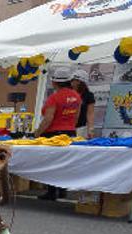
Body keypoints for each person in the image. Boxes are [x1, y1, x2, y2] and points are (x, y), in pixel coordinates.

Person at [36, 66, 82, 200]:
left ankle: (51, 192)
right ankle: (62, 190)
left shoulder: (54, 98)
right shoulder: (76, 97)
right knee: (64, 162)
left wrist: (38, 133)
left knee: (50, 163)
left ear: (55, 82)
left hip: (53, 134)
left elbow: (48, 119)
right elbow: (76, 117)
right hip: (69, 132)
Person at [72, 69, 96, 139]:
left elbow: (90, 114)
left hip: (81, 128)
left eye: (74, 80)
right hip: (67, 127)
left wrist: (90, 129)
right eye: (72, 80)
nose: (72, 82)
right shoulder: (68, 93)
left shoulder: (88, 95)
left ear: (80, 82)